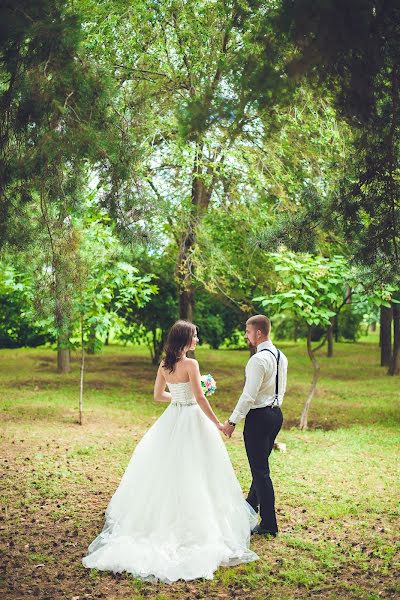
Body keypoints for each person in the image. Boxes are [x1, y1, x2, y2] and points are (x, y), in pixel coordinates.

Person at [82, 320, 258, 583]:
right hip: (192, 419)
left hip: (172, 419)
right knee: (197, 469)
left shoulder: (165, 365)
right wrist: (219, 424)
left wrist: (178, 396)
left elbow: (158, 395)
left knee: (170, 469)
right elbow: (199, 398)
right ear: (185, 339)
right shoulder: (191, 365)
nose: (197, 339)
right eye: (195, 335)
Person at [222, 315, 288, 537]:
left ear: (259, 333)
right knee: (260, 468)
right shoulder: (281, 357)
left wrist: (232, 421)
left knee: (260, 472)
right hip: (276, 415)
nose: (247, 336)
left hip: (259, 418)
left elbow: (249, 396)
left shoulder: (258, 360)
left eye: (248, 332)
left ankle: (269, 524)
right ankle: (250, 506)